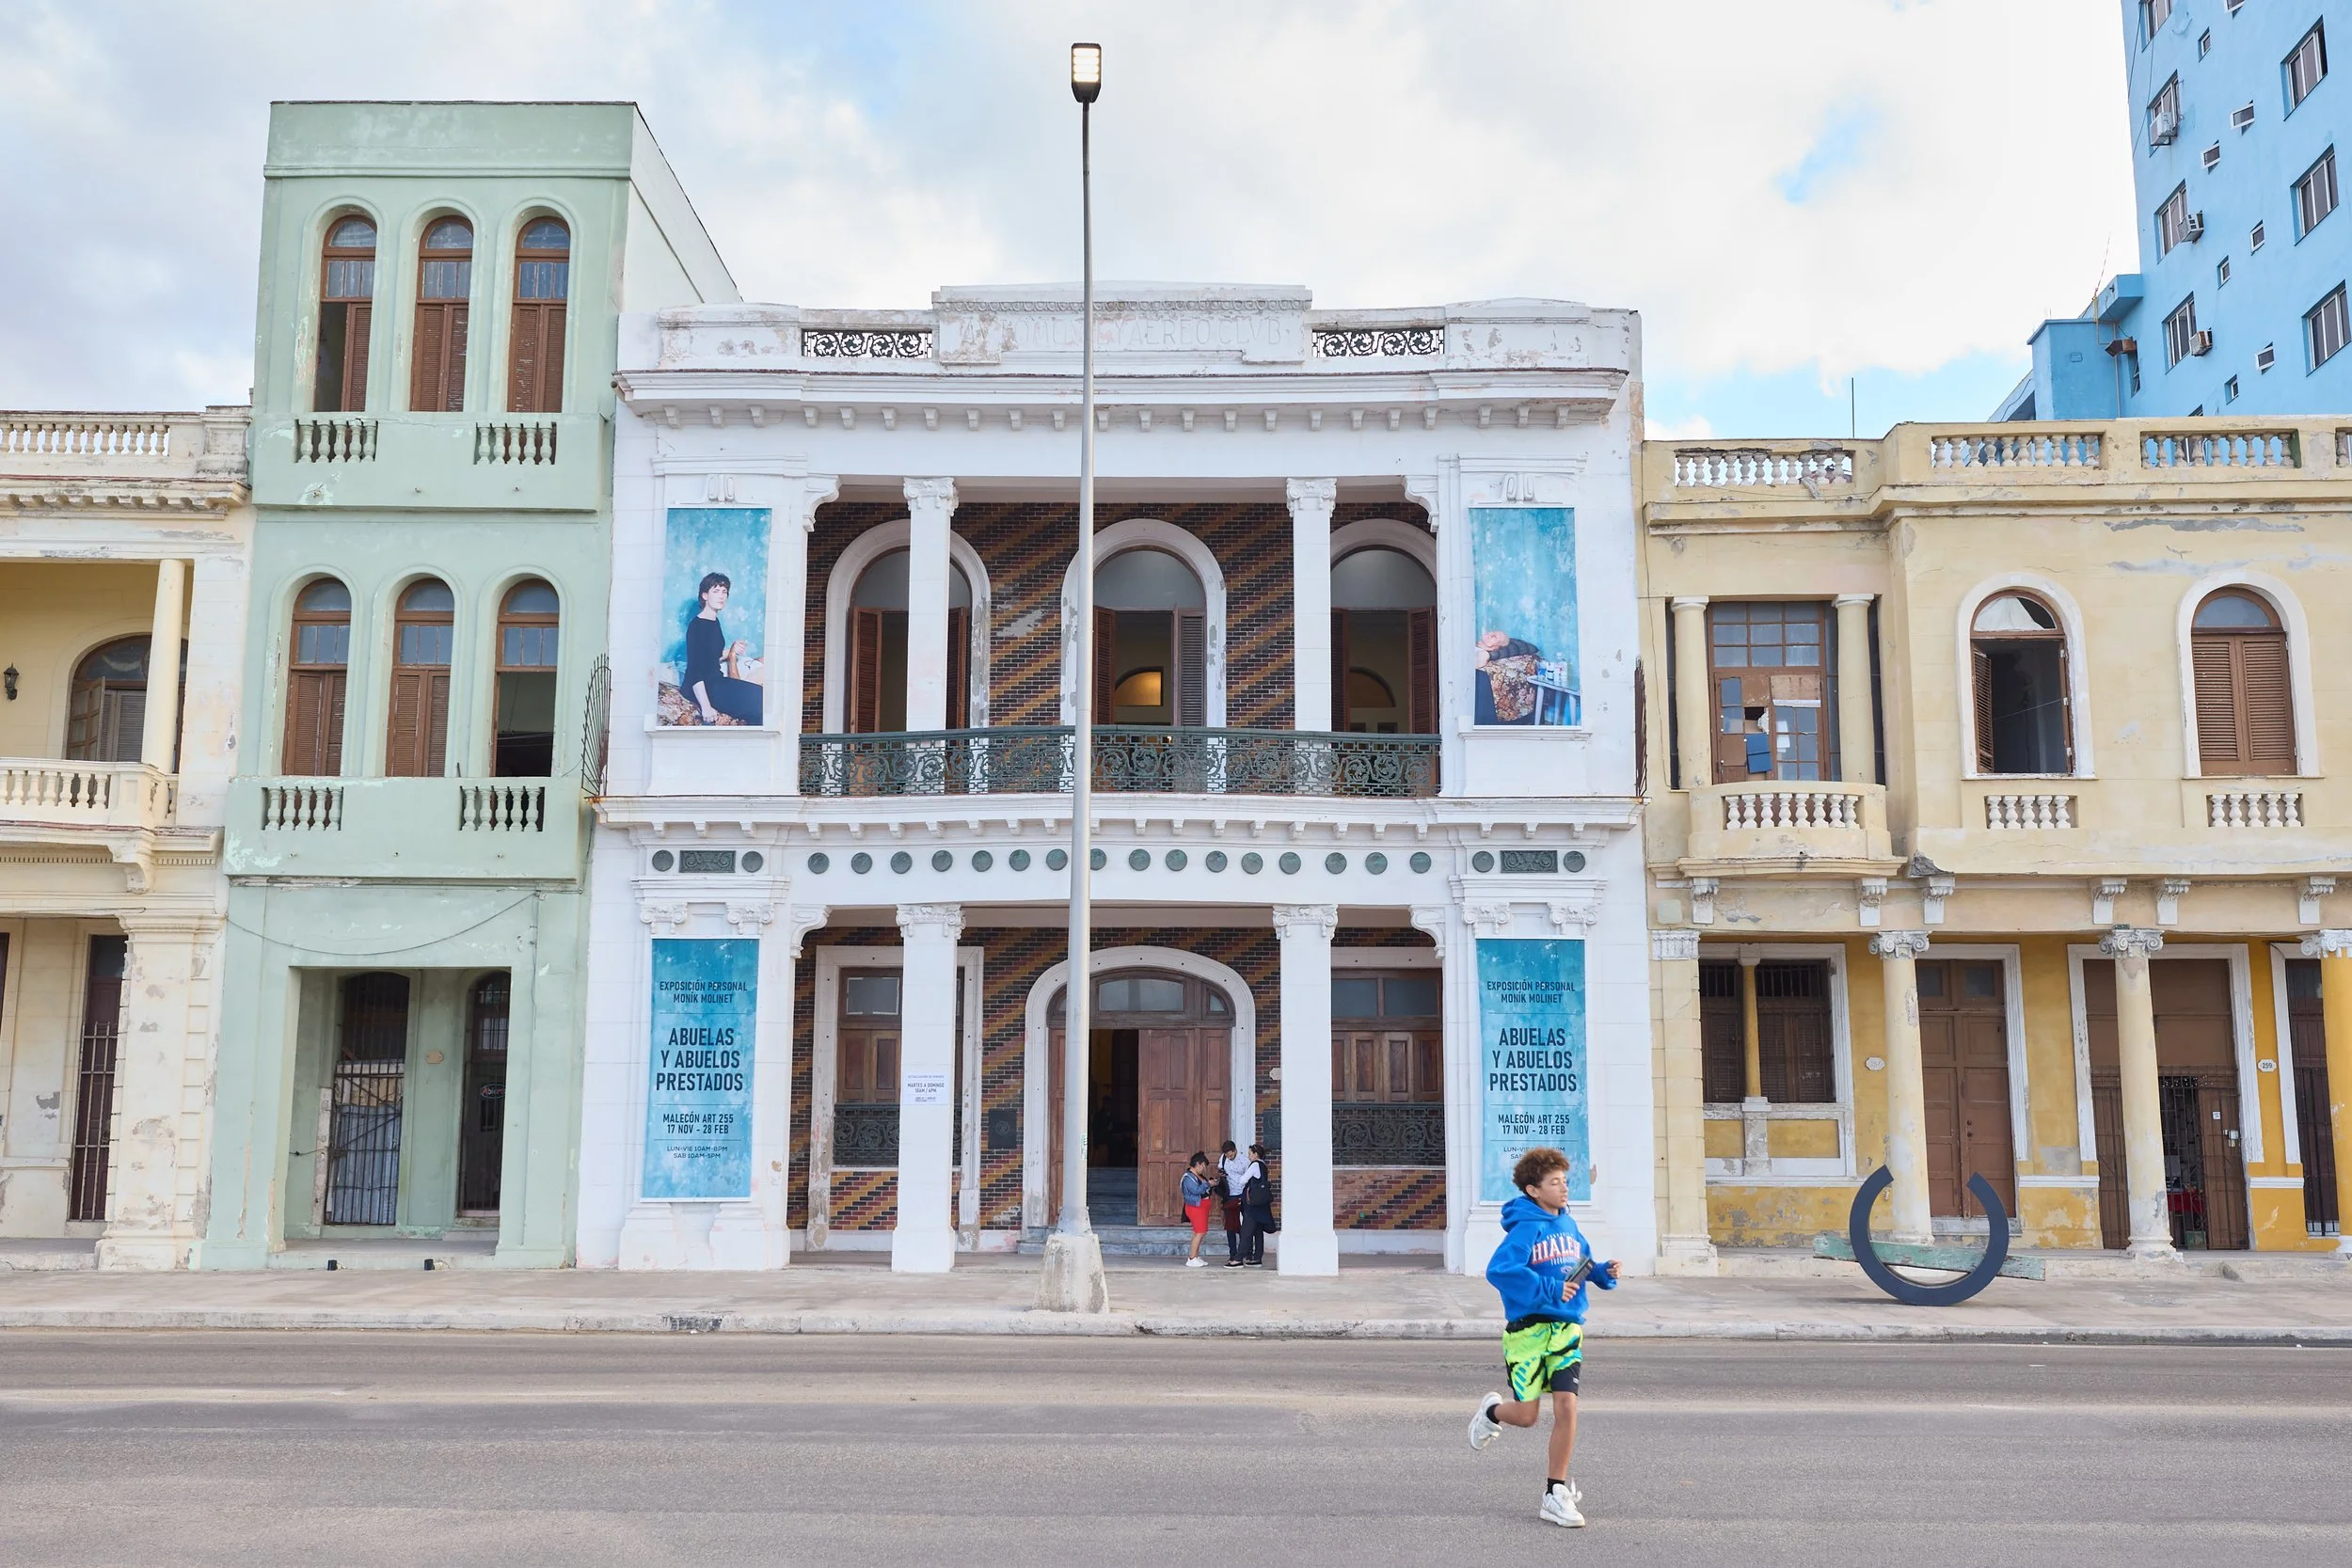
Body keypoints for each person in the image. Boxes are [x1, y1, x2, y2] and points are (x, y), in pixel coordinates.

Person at [1467, 1146, 1619, 1528]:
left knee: (1568, 1407)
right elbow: (1500, 1271)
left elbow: (1579, 1264)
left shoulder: (1568, 1224)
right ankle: (1491, 1413)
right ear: (1534, 1190)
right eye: (1555, 1182)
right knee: (1527, 1415)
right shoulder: (1525, 1228)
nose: (1564, 1188)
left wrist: (1601, 1272)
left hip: (1566, 1331)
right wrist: (1549, 1289)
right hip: (1528, 1334)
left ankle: (1555, 1493)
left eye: (1565, 1181)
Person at [683, 572, 763, 725]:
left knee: (761, 696)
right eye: (716, 591)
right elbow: (695, 670)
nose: (721, 596)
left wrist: (731, 650)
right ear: (705, 595)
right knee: (758, 703)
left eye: (724, 591)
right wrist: (706, 707)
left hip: (715, 681)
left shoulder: (714, 622)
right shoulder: (697, 626)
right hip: (702, 686)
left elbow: (711, 656)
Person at [1472, 630, 1541, 726]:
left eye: (1494, 637)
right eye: (1493, 632)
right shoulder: (1471, 643)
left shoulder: (1483, 654)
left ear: (1495, 647)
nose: (1490, 634)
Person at [1236, 1142, 1276, 1268]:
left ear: (1255, 1154)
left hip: (1252, 1205)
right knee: (1258, 1231)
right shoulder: (1264, 1166)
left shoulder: (1254, 1165)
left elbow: (1243, 1180)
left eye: (1250, 1154)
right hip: (1261, 1204)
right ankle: (1257, 1258)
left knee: (1247, 1231)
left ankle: (1238, 1258)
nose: (1249, 1156)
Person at [1179, 1152, 1216, 1268]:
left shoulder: (1199, 1176)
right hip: (1195, 1207)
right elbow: (1195, 1190)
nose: (1204, 1168)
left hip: (1202, 1206)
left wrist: (1211, 1184)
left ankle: (1196, 1256)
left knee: (1199, 1232)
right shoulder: (1188, 1177)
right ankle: (1192, 1258)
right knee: (1200, 1232)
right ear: (1197, 1164)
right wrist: (1207, 1184)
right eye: (1203, 1165)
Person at [1218, 1140, 1249, 1268]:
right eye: (1227, 1156)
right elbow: (1220, 1168)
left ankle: (1246, 1253)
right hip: (1229, 1195)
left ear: (1235, 1150)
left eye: (1231, 1155)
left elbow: (1249, 1176)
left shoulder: (1244, 1160)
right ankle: (1233, 1254)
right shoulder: (1224, 1159)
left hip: (1241, 1194)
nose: (1229, 1158)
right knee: (1231, 1226)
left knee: (1245, 1225)